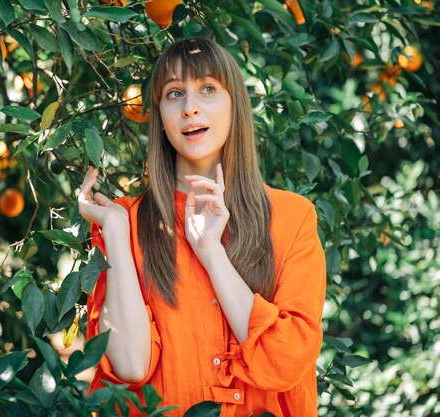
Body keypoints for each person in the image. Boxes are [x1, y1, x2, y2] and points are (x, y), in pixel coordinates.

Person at [77, 38, 326, 417]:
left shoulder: (292, 217)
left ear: (234, 105)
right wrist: (115, 230)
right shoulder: (126, 224)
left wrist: (212, 253)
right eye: (175, 93)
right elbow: (129, 365)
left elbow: (285, 361)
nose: (190, 108)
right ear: (160, 117)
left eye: (207, 89)